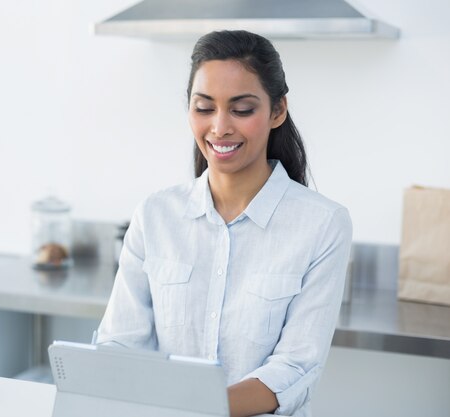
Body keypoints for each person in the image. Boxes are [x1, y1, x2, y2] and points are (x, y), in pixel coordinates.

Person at [96, 30, 352, 417]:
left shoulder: (322, 224)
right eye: (204, 108)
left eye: (242, 109)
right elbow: (120, 343)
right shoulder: (155, 214)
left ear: (277, 111)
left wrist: (193, 407)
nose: (219, 127)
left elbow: (295, 368)